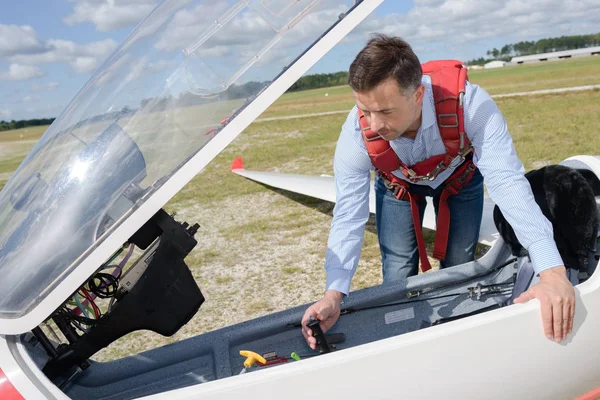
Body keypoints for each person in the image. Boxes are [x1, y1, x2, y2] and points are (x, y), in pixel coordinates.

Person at [301, 34, 575, 347]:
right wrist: (333, 294)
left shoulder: (470, 105)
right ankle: (403, 341)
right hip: (397, 187)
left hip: (460, 179)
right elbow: (349, 213)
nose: (374, 125)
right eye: (365, 110)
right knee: (397, 271)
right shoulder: (355, 132)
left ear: (418, 95)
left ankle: (455, 341)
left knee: (460, 266)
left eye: (386, 111)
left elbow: (507, 182)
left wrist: (552, 271)